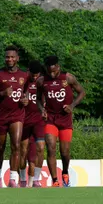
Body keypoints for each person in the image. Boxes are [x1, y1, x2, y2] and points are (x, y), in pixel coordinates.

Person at [36, 55, 86, 188]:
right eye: (49, 72)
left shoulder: (68, 78)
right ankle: (55, 180)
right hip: (50, 119)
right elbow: (37, 99)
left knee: (65, 152)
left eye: (54, 71)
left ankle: (65, 172)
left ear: (58, 67)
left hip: (65, 119)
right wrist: (42, 109)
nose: (52, 74)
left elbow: (82, 92)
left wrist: (72, 106)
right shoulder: (41, 81)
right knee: (51, 147)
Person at [0, 45, 29, 188]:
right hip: (1, 116)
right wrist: (2, 94)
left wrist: (25, 100)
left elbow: (26, 93)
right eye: (7, 57)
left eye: (12, 57)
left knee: (16, 145)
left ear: (17, 58)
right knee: (0, 147)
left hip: (17, 115)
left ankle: (12, 179)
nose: (9, 59)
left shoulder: (24, 75)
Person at [21, 60, 47, 187]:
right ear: (28, 72)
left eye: (37, 75)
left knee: (41, 147)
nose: (35, 77)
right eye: (33, 75)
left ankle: (36, 179)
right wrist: (21, 101)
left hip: (38, 121)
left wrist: (45, 109)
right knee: (23, 150)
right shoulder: (22, 82)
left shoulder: (42, 83)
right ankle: (22, 180)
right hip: (24, 121)